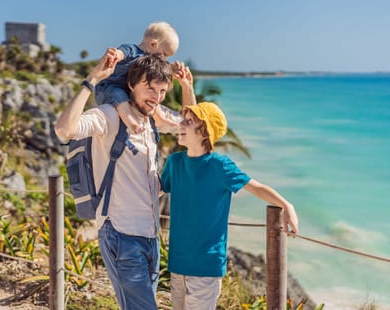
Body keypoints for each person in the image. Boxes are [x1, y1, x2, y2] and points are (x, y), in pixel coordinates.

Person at [54, 49, 195, 310]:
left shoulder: (153, 119)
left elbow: (192, 126)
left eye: (162, 91)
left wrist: (187, 86)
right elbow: (64, 130)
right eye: (150, 89)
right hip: (121, 233)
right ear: (131, 84)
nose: (156, 97)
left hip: (150, 237)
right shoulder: (109, 115)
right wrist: (92, 79)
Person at [159, 102, 299, 310]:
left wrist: (287, 205)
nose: (181, 124)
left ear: (204, 132)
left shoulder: (220, 166)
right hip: (178, 263)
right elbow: (156, 191)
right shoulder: (175, 162)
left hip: (206, 266)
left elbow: (256, 187)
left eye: (188, 121)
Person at [95, 21, 182, 134]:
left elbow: (157, 77)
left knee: (154, 98)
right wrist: (116, 55)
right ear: (152, 44)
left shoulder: (151, 61)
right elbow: (123, 53)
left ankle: (160, 119)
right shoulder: (133, 50)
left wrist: (171, 70)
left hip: (129, 91)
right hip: (108, 88)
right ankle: (131, 122)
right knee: (119, 95)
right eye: (164, 54)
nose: (164, 59)